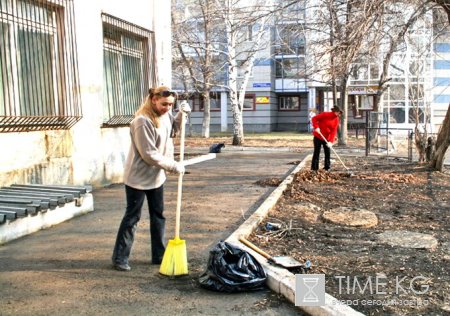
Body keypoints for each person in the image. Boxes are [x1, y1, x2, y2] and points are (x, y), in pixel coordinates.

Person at [111, 86, 191, 271]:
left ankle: (159, 255)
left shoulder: (165, 116)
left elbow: (174, 130)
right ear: (153, 100)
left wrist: (181, 114)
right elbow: (148, 154)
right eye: (164, 104)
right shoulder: (142, 121)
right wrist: (173, 166)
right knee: (132, 217)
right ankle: (120, 258)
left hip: (156, 176)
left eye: (171, 105)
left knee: (158, 216)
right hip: (137, 178)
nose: (167, 108)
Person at [310, 106, 342, 171]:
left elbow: (334, 131)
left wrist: (331, 141)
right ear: (335, 111)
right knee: (316, 152)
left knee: (327, 152)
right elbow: (314, 119)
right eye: (339, 113)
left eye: (340, 113)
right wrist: (316, 127)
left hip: (327, 138)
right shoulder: (325, 114)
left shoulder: (336, 120)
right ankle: (314, 168)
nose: (339, 114)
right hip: (318, 136)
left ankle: (327, 167)